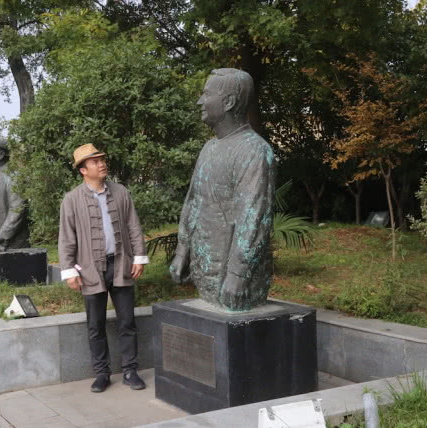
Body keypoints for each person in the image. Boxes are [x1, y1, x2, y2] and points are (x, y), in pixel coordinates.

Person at [169, 68, 276, 311]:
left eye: (207, 94)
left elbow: (254, 217)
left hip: (233, 280)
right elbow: (193, 201)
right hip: (205, 271)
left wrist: (238, 274)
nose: (200, 101)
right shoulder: (209, 148)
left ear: (228, 102)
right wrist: (182, 251)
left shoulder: (254, 151)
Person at [58, 143, 149, 393]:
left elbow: (133, 225)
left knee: (127, 321)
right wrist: (69, 271)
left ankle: (130, 371)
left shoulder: (120, 192)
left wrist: (139, 257)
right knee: (95, 325)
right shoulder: (71, 200)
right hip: (89, 270)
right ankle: (101, 373)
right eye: (95, 161)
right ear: (83, 170)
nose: (102, 164)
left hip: (121, 265)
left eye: (102, 160)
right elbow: (67, 238)